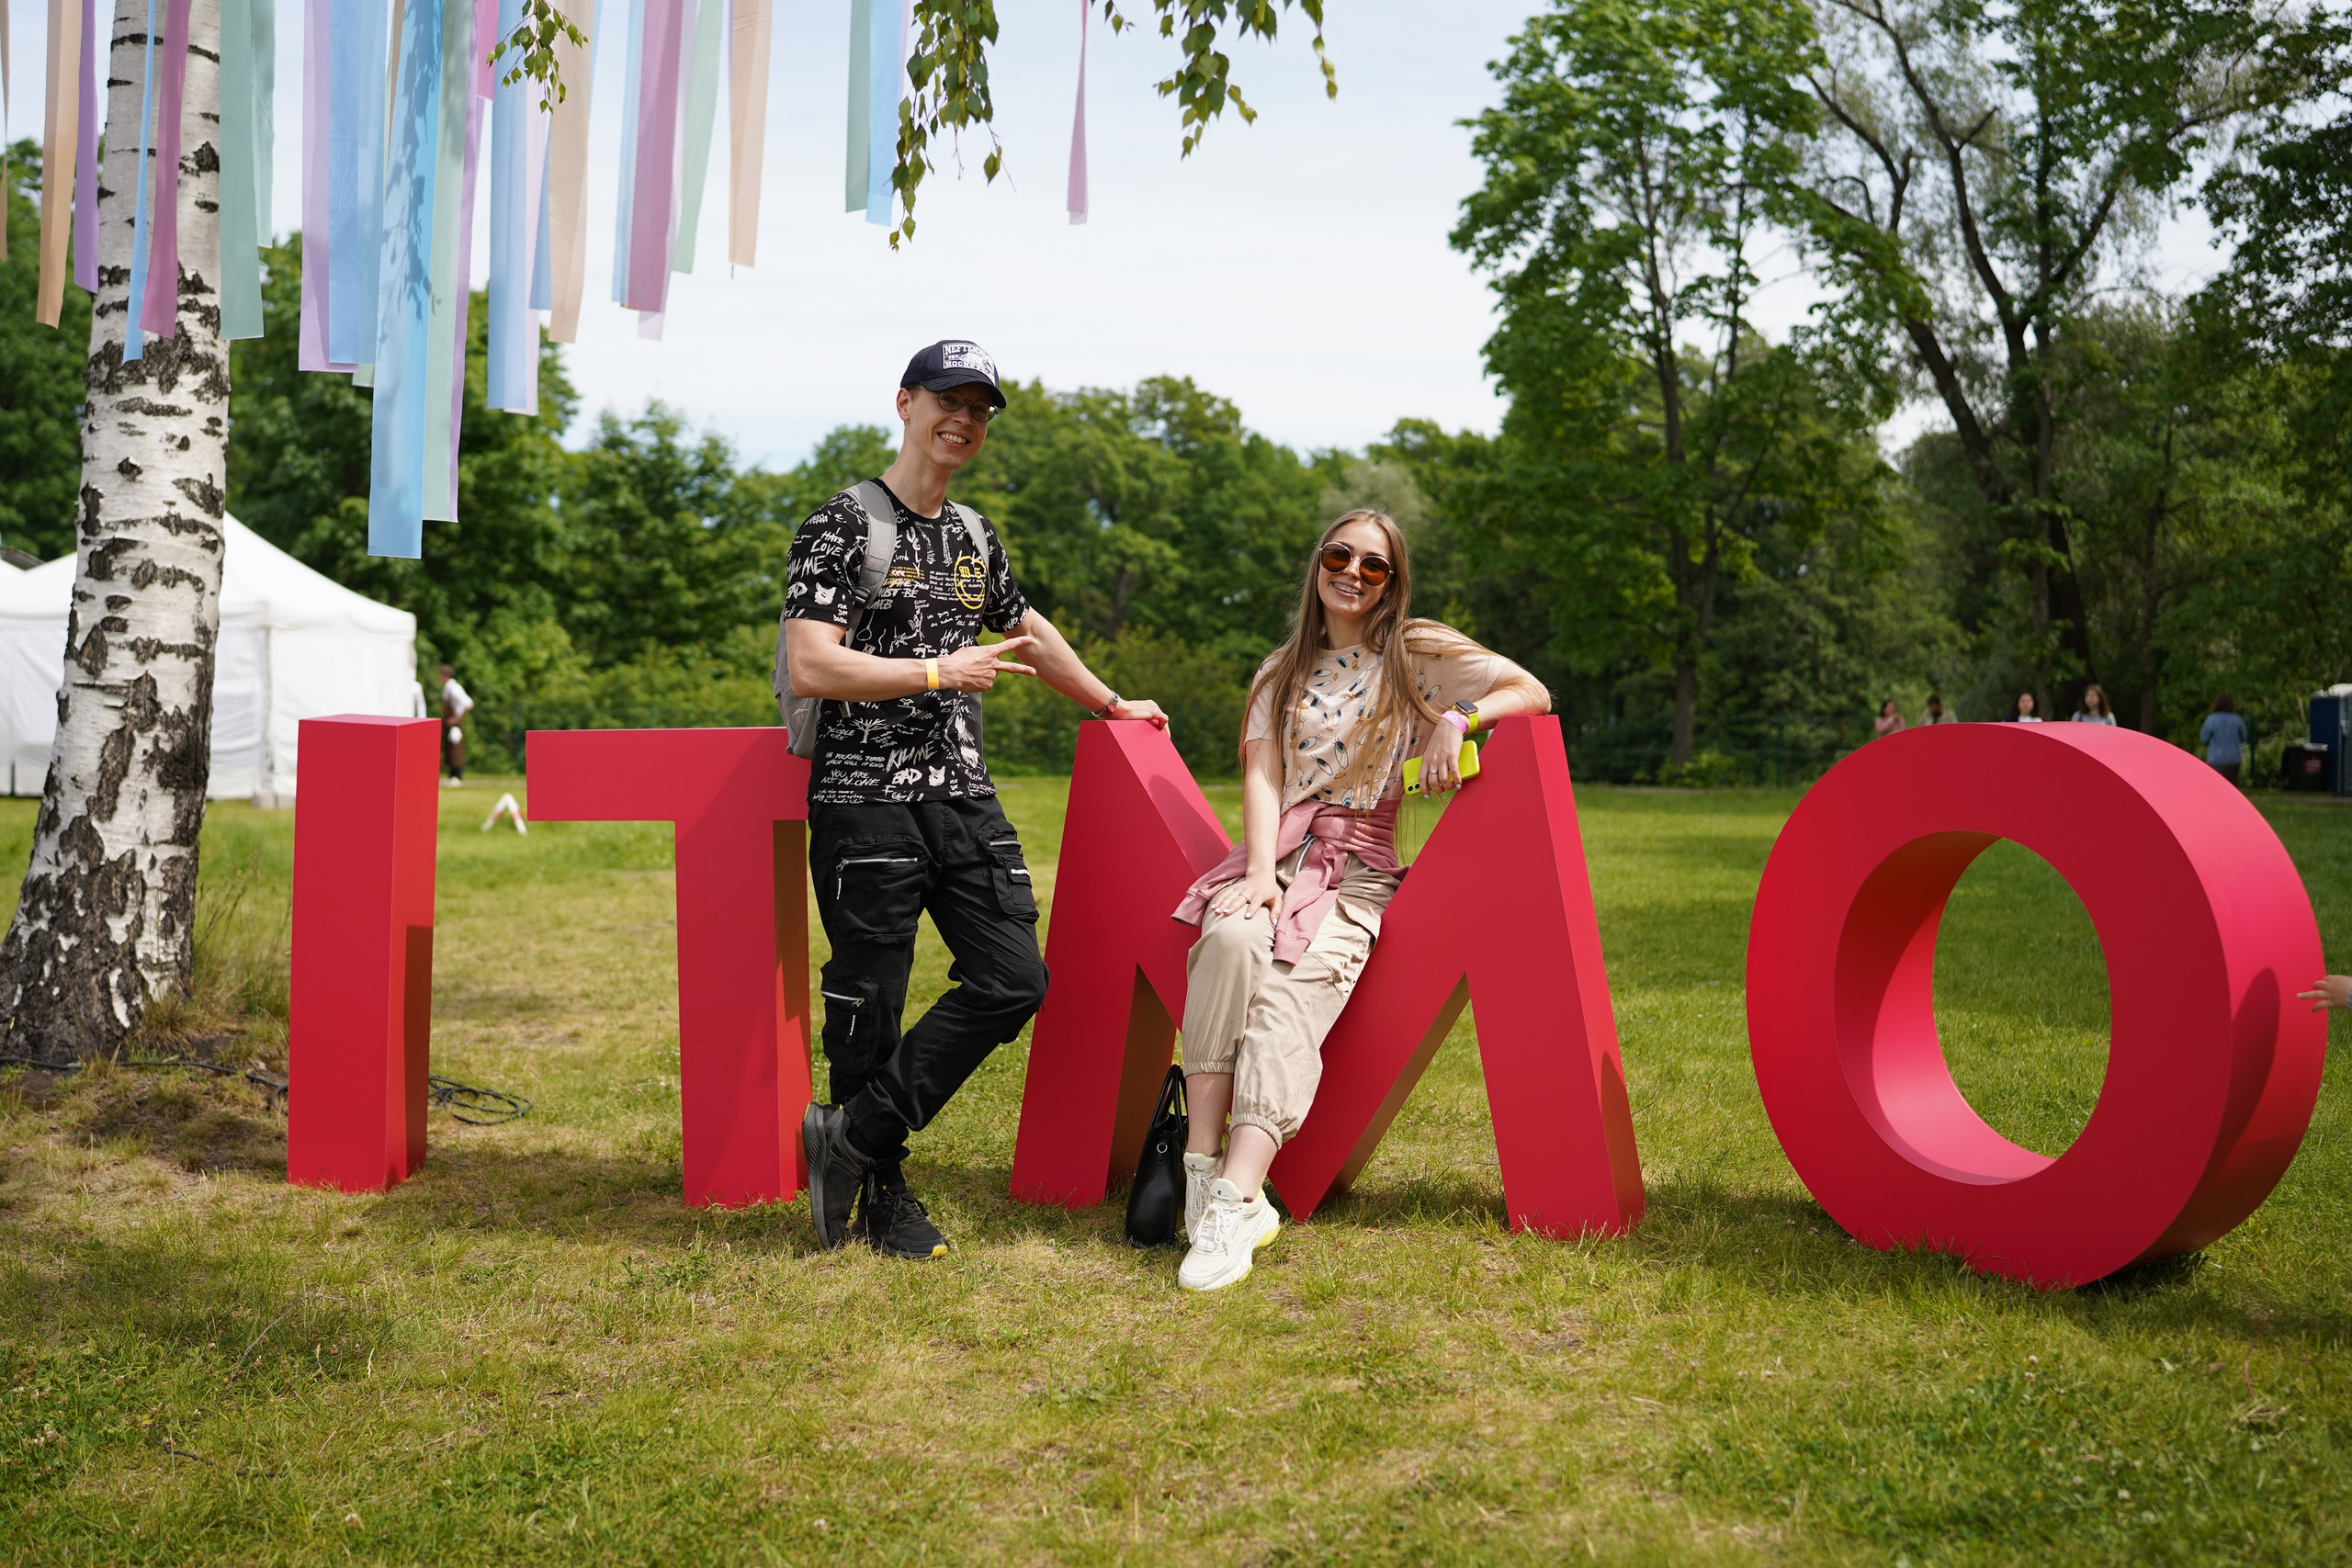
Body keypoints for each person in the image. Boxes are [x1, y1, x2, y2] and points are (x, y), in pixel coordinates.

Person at [786, 340, 1170, 1262]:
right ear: (905, 402)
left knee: (1013, 979)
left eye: (981, 408)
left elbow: (1025, 630)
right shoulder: (841, 523)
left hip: (961, 797)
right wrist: (934, 668)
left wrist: (1111, 702)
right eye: (948, 401)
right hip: (862, 798)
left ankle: (855, 1135)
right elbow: (810, 661)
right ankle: (884, 1198)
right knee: (866, 1007)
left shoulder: (974, 534)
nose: (964, 420)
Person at [1169, 509, 1552, 1292]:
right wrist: (1260, 875)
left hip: (1354, 869)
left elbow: (1532, 690)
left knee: (1285, 1000)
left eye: (1372, 565)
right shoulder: (1279, 668)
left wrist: (1457, 718)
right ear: (1318, 564)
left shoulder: (1415, 655)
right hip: (1271, 853)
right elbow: (1262, 773)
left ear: (1391, 583)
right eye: (1338, 554)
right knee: (1232, 941)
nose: (1351, 571)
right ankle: (1201, 1170)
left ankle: (1239, 1197)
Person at [2201, 694, 2250, 786]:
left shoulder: (2211, 720)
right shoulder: (2237, 720)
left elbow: (2204, 739)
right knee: (2232, 787)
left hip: (2216, 760)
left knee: (2216, 787)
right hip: (2233, 759)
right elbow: (2244, 737)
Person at [438, 665, 472, 785]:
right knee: (450, 749)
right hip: (449, 723)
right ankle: (452, 774)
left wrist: (457, 719)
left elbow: (468, 703)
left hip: (454, 724)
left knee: (456, 749)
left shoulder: (455, 688)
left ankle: (457, 775)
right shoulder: (448, 688)